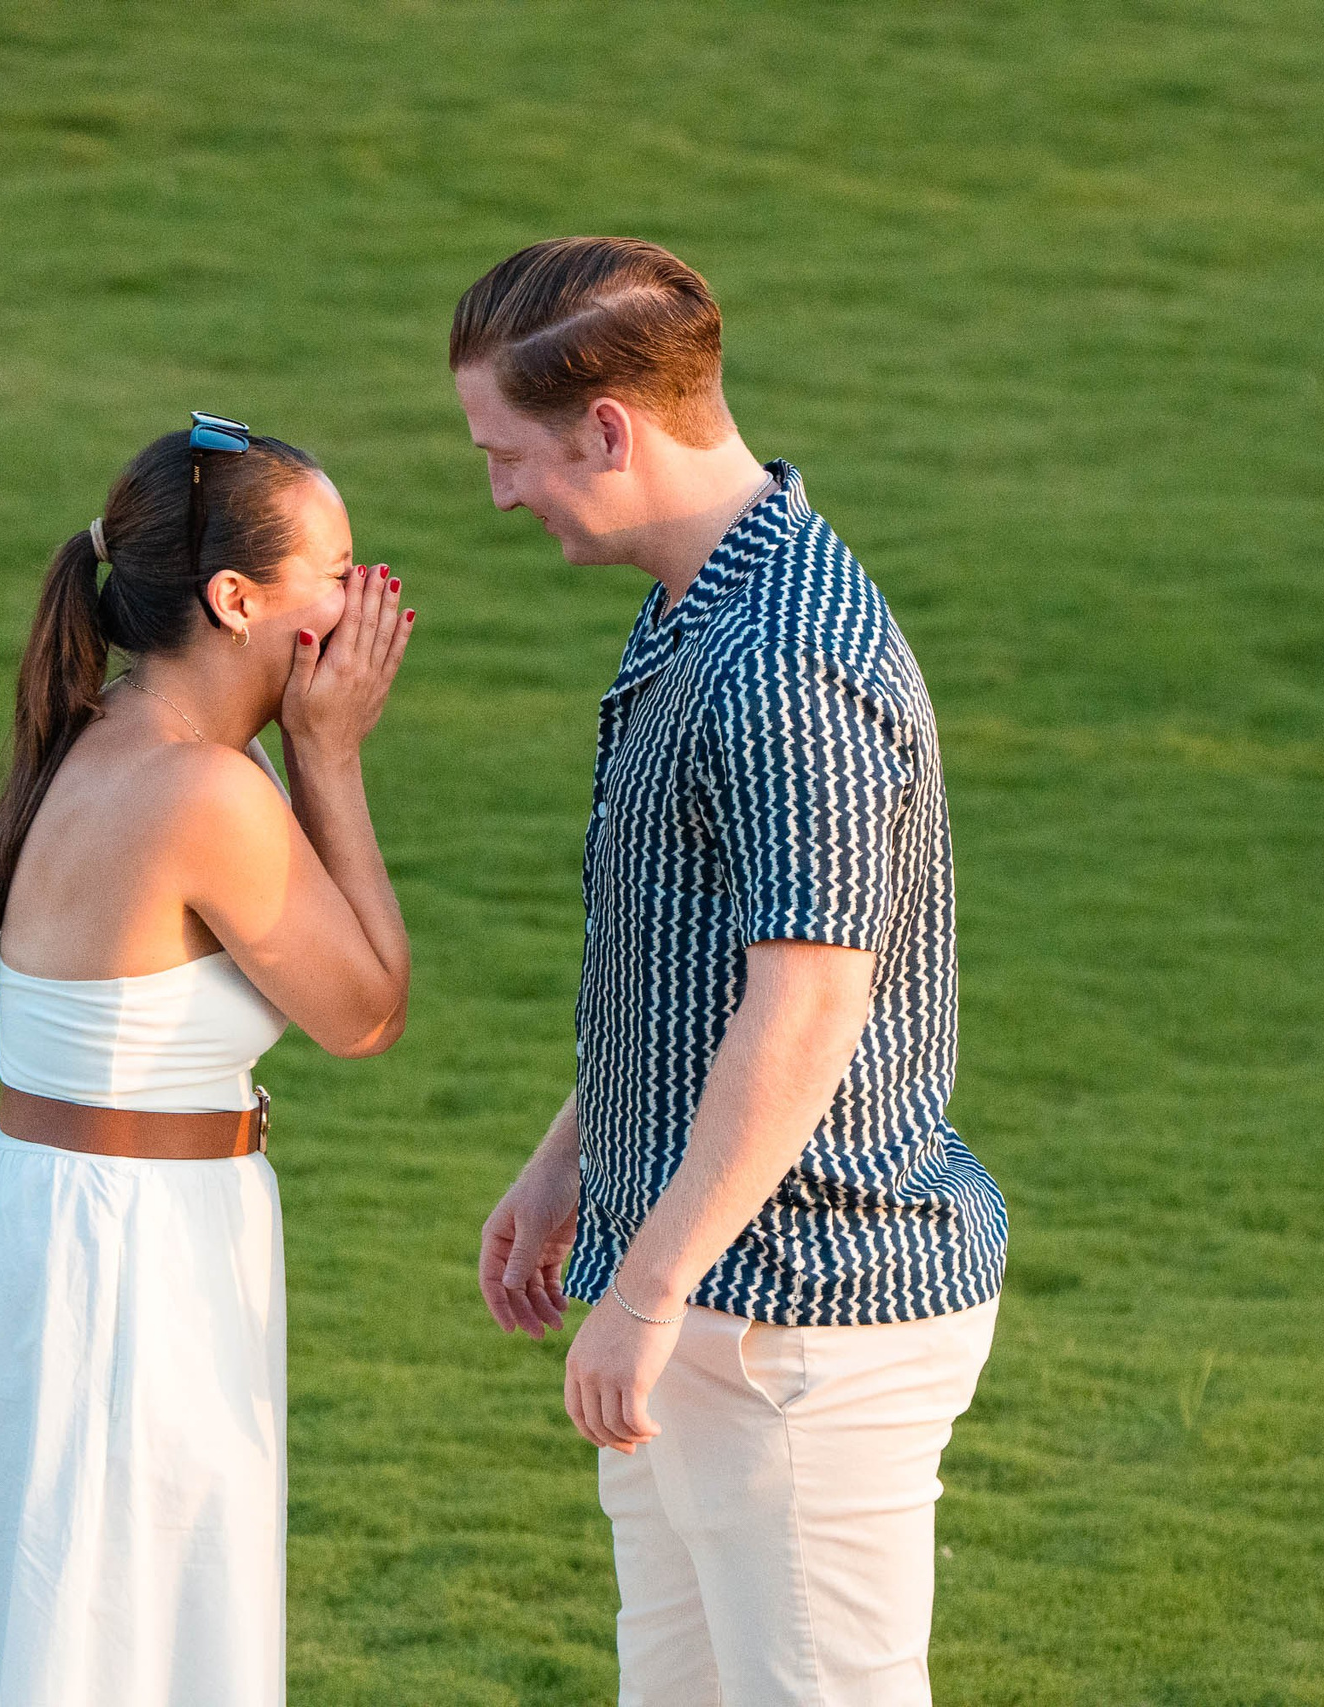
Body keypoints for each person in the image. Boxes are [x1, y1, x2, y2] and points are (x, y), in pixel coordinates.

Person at [456, 238, 1009, 1707]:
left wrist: (645, 1289)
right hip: (720, 1297)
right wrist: (572, 1158)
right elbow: (690, 964)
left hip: (803, 1320)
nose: (498, 491)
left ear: (611, 429)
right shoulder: (697, 609)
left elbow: (812, 998)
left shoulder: (781, 657)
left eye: (506, 453)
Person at [0, 415, 416, 1707]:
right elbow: (367, 1011)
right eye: (337, 573)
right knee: (116, 1633)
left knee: (52, 1623)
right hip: (128, 1265)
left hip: (62, 1234)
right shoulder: (206, 792)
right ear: (237, 598)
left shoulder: (110, 732)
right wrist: (329, 753)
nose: (361, 602)